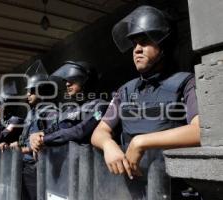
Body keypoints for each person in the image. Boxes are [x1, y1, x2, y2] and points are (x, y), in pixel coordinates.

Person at [91, 5, 200, 199]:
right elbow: (100, 131)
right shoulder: (125, 91)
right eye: (134, 44)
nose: (137, 49)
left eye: (144, 42)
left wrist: (141, 142)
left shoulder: (186, 82)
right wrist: (108, 145)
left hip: (173, 190)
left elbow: (200, 130)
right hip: (133, 190)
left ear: (163, 45)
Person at [30, 61, 108, 152]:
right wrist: (38, 135)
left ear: (87, 80)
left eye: (73, 79)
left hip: (91, 162)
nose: (67, 84)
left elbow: (80, 131)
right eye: (66, 81)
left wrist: (45, 139)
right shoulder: (71, 108)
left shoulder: (101, 105)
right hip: (70, 163)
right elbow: (56, 127)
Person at [10, 72, 57, 200]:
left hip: (38, 168)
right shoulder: (32, 112)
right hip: (25, 165)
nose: (28, 94)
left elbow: (51, 139)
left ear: (41, 91)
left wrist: (24, 148)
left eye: (31, 91)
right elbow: (25, 138)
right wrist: (19, 145)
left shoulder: (50, 112)